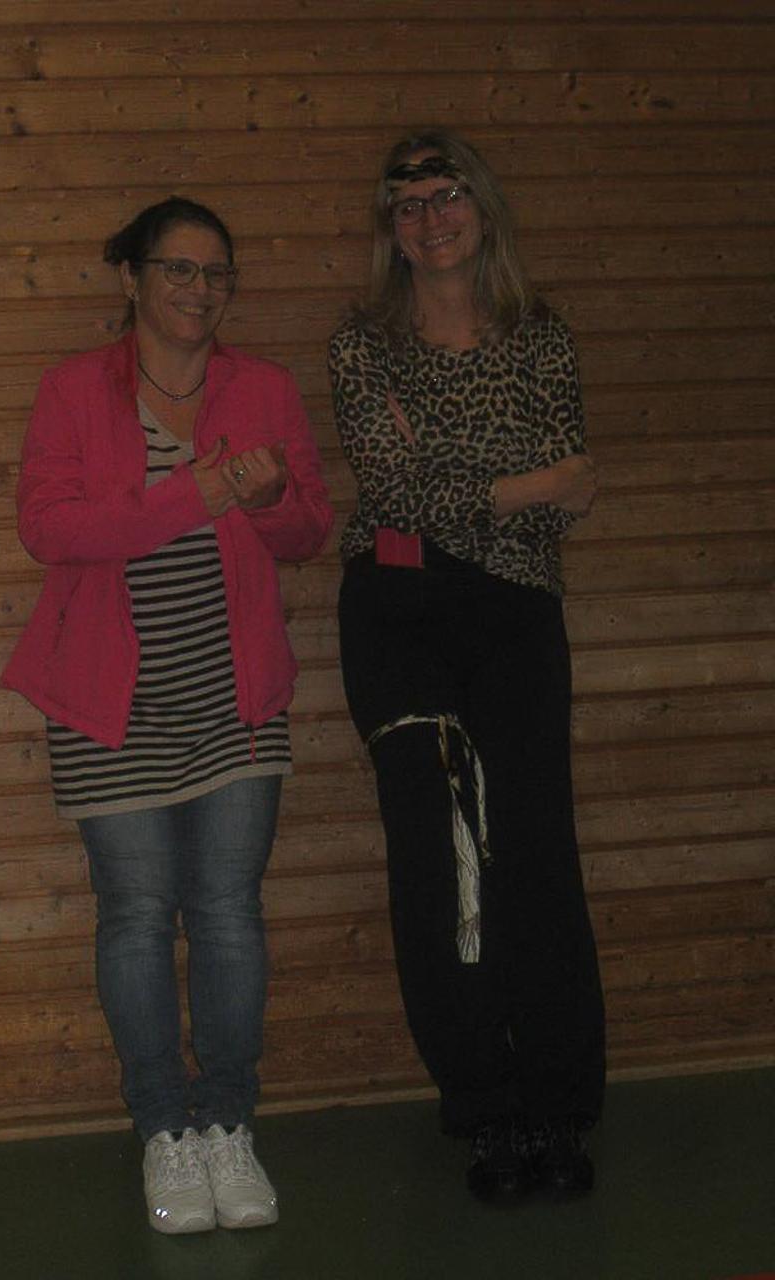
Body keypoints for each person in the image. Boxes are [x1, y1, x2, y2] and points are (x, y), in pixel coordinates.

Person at [2, 197, 333, 1234]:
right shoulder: (72, 390)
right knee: (137, 917)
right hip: (109, 705)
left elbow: (309, 532)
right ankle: (163, 1131)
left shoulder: (264, 388)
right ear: (133, 279)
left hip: (237, 697)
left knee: (229, 913)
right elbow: (51, 528)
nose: (199, 289)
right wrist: (201, 491)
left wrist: (267, 497)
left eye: (216, 273)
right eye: (178, 269)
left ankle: (228, 1122)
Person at [328, 129, 606, 1202]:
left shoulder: (543, 336)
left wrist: (468, 483)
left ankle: (557, 1106)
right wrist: (528, 482)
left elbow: (567, 497)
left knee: (534, 849)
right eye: (408, 205)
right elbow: (396, 493)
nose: (430, 218)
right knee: (439, 859)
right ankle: (485, 1109)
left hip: (517, 609)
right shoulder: (362, 346)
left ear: (483, 209)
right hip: (397, 611)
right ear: (390, 229)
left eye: (447, 197)